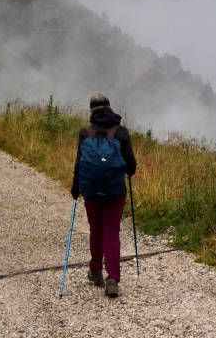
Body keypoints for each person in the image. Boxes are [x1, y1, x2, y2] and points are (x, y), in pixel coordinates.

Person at [70, 94, 137, 298]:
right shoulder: (121, 132)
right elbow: (132, 166)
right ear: (109, 108)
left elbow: (79, 164)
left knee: (96, 230)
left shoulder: (85, 132)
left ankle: (96, 271)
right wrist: (126, 172)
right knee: (111, 231)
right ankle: (112, 279)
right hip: (115, 192)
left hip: (91, 191)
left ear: (91, 111)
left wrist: (76, 188)